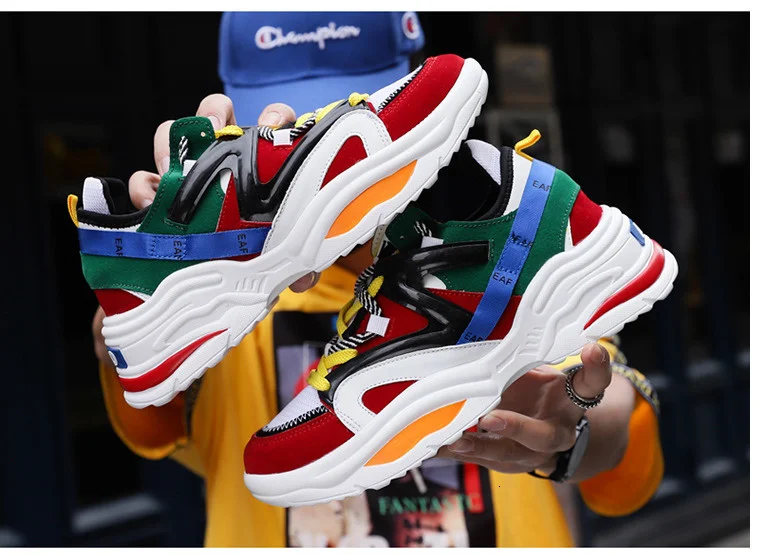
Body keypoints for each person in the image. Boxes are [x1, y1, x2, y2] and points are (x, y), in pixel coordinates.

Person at [90, 12, 663, 547]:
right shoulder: (237, 314)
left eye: (341, 130)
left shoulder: (514, 261)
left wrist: (572, 430)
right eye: (298, 144)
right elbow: (150, 424)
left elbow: (625, 469)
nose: (329, 172)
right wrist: (135, 296)